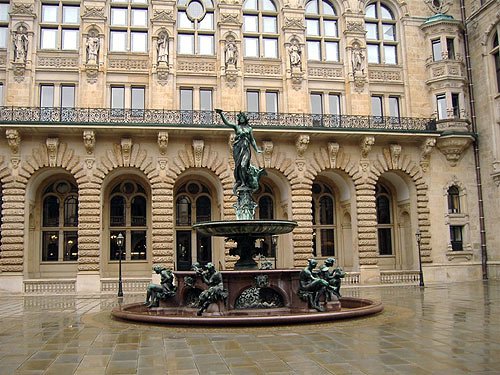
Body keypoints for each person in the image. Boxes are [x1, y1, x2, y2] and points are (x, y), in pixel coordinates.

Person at [215, 109, 265, 194]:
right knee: (238, 166)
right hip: (237, 148)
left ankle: (244, 182)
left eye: (243, 118)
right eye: (240, 118)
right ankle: (242, 182)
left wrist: (256, 149)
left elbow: (252, 140)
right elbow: (227, 123)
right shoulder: (236, 127)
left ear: (245, 119)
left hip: (245, 149)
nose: (241, 119)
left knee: (243, 165)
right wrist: (221, 114)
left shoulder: (249, 129)